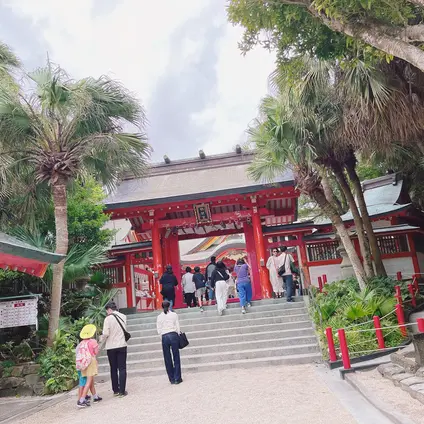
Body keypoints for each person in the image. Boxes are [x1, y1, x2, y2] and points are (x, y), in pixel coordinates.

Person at [101, 302, 128, 397]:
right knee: (122, 368)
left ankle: (115, 390)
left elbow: (105, 333)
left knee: (113, 368)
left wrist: (101, 340)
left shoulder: (107, 319)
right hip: (121, 345)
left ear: (109, 309)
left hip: (111, 347)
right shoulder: (123, 316)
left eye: (106, 311)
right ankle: (122, 391)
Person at [156, 300, 183, 385]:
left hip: (164, 336)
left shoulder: (159, 317)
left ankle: (171, 378)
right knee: (176, 356)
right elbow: (177, 327)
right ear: (169, 306)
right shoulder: (174, 315)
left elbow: (158, 329)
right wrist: (178, 335)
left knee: (167, 358)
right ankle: (177, 377)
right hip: (173, 334)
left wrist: (162, 338)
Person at [76, 324, 102, 408]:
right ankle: (82, 400)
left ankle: (95, 396)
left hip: (83, 363)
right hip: (91, 361)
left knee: (90, 380)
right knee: (89, 381)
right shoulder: (93, 342)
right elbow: (96, 352)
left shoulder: (81, 343)